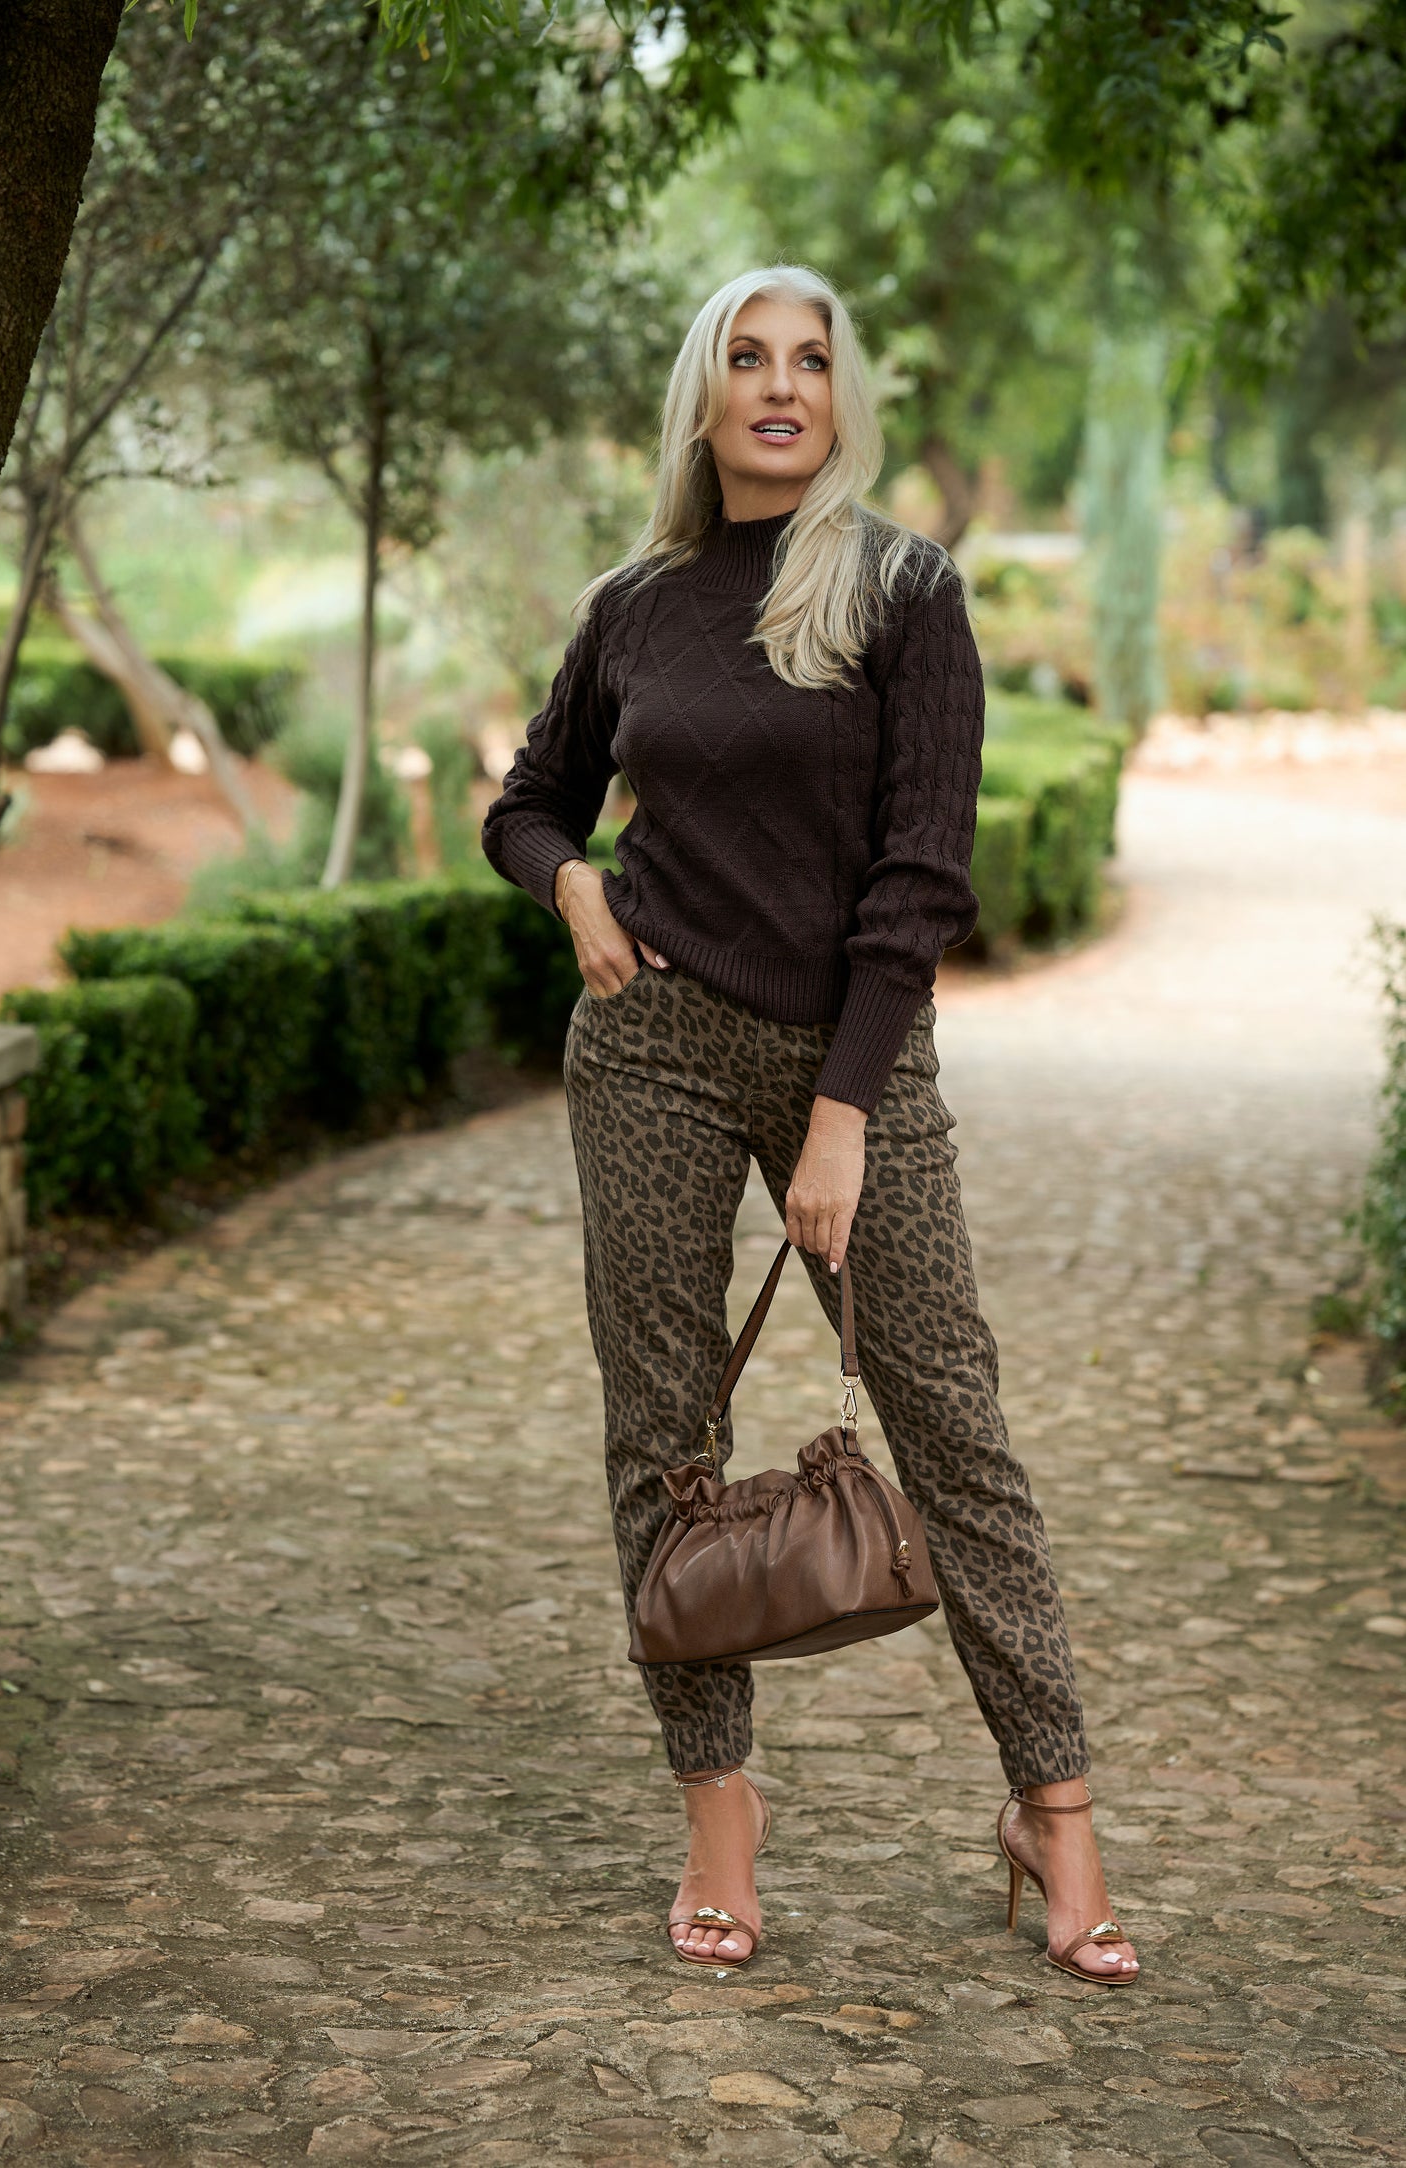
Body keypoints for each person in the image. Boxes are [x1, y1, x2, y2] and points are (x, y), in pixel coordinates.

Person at [481, 265, 1139, 1984]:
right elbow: (529, 800)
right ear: (704, 393)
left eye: (813, 362)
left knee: (950, 1423)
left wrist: (843, 1110)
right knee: (664, 1437)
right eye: (749, 359)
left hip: (856, 1059)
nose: (783, 387)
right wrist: (569, 890)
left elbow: (922, 876)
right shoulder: (633, 602)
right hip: (651, 1052)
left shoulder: (904, 588)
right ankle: (717, 1813)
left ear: (845, 397)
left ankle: (1051, 1810)